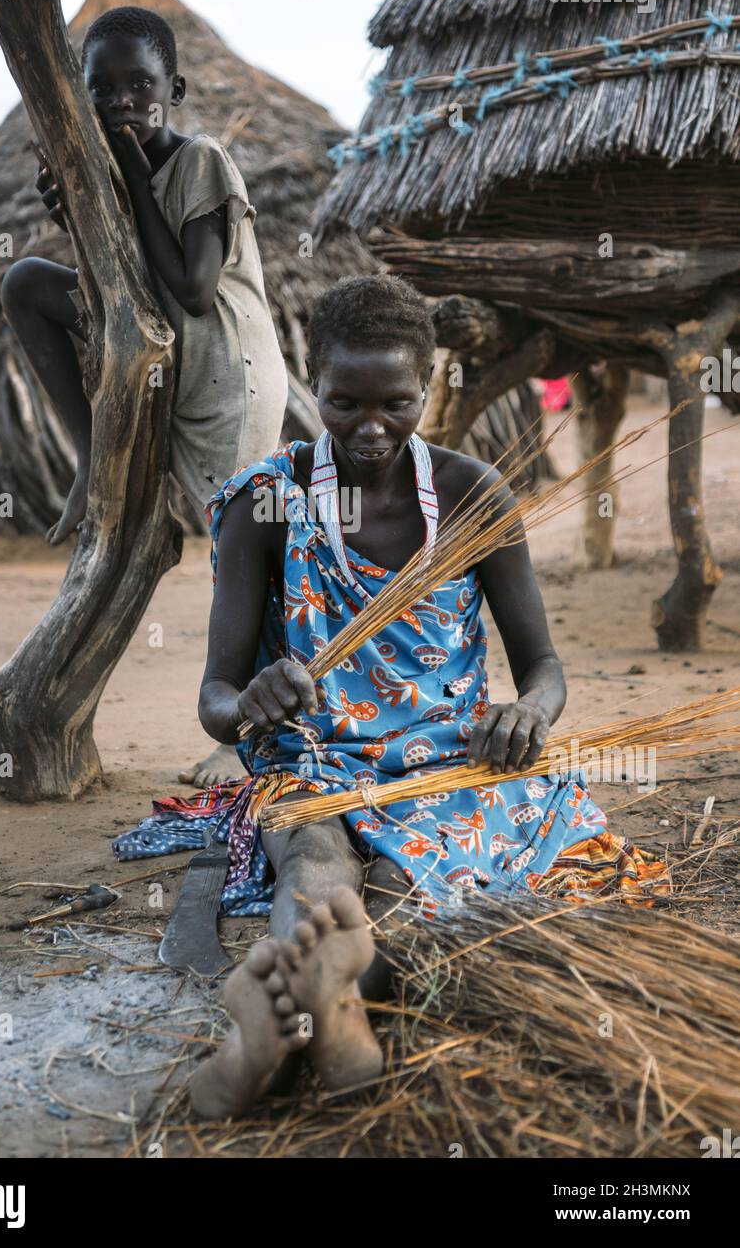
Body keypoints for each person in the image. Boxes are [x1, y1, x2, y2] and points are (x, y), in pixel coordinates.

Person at [113, 273, 670, 1118]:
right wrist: (252, 702)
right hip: (311, 759)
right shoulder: (267, 502)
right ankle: (324, 1005)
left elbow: (544, 668)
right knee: (313, 854)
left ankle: (300, 1005)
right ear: (312, 383)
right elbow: (215, 701)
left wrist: (528, 713)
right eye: (343, 403)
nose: (369, 428)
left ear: (428, 386)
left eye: (396, 404)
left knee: (416, 878)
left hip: (451, 754)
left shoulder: (472, 494)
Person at [0, 4, 288, 785]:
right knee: (25, 282)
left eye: (141, 85)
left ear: (176, 88)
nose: (122, 100)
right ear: (81, 97)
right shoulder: (110, 172)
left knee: (241, 558)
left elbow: (194, 288)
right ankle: (87, 460)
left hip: (228, 372)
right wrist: (85, 212)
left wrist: (123, 174)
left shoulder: (202, 160)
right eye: (104, 88)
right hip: (161, 358)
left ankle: (242, 737)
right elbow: (122, 283)